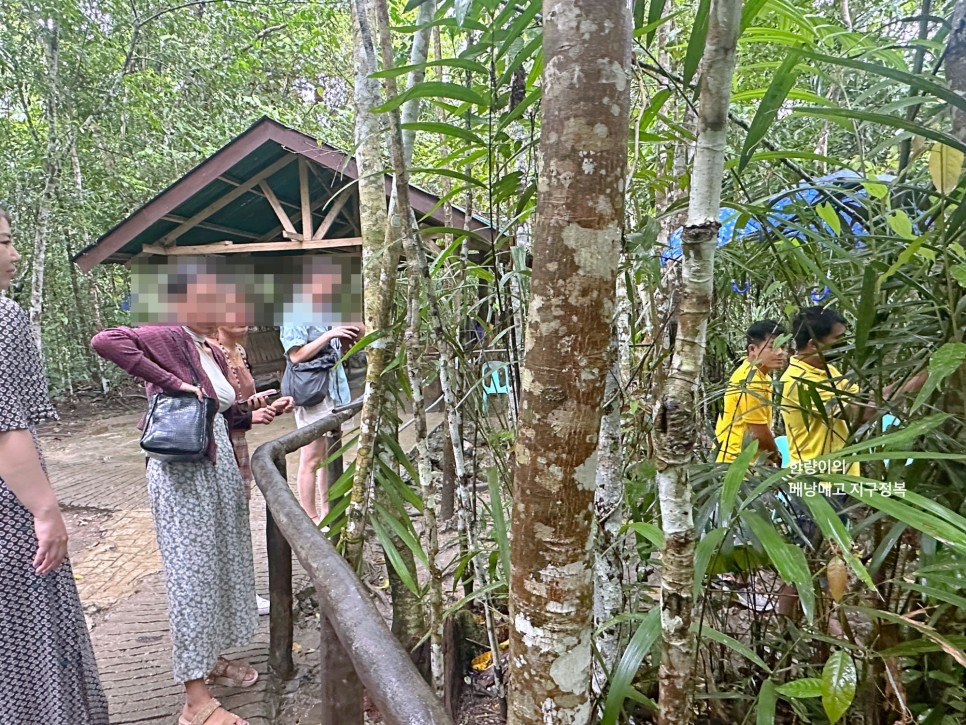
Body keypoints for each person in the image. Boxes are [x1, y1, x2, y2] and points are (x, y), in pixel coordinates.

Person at [92, 272, 277, 725]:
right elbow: (106, 341)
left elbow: (220, 407)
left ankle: (209, 660)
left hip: (213, 467)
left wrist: (258, 411)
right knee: (192, 575)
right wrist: (169, 382)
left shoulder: (209, 347)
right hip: (182, 474)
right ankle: (194, 702)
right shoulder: (170, 334)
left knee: (220, 565)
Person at [0, 207, 109, 724]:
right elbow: (6, 428)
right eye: (2, 243)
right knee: (32, 627)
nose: (14, 255)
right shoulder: (3, 316)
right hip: (11, 509)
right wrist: (45, 510)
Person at [780, 306, 926, 477]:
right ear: (813, 345)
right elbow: (862, 412)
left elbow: (866, 398)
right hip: (817, 480)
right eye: (839, 339)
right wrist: (921, 381)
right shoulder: (799, 382)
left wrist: (923, 373)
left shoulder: (827, 371)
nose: (846, 344)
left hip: (841, 475)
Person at [211, 325, 294, 615]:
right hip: (215, 443)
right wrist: (249, 416)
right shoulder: (209, 351)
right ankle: (226, 595)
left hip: (238, 443)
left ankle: (242, 592)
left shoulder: (241, 352)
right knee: (219, 519)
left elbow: (238, 405)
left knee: (236, 514)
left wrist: (268, 407)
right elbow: (212, 409)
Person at [715, 319, 788, 466]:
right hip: (739, 466)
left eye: (783, 346)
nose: (780, 352)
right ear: (752, 350)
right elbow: (759, 433)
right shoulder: (752, 381)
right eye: (772, 347)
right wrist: (776, 458)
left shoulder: (757, 374)